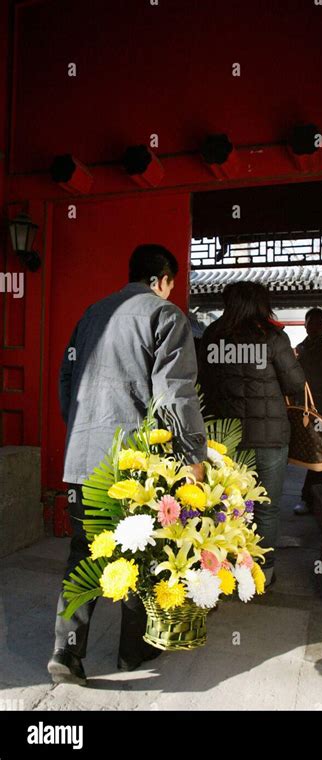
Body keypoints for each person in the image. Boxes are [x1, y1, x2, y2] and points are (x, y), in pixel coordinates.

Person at [47, 244, 207, 686]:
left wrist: (81, 427)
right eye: (171, 283)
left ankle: (67, 651)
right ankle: (131, 654)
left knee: (85, 552)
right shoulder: (165, 315)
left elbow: (66, 377)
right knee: (141, 550)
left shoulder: (91, 313)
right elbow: (175, 392)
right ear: (162, 279)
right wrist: (193, 456)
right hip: (135, 463)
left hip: (83, 459)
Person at [198, 282, 305, 587]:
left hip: (227, 439)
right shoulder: (272, 337)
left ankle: (227, 570)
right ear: (261, 303)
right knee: (268, 507)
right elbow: (296, 384)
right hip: (270, 439)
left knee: (230, 506)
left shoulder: (213, 336)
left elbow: (203, 384)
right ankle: (263, 573)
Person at [293, 307, 322, 527]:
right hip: (305, 408)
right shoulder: (300, 349)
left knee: (319, 455)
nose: (314, 326)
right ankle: (310, 498)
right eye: (311, 322)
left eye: (319, 322)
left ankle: (307, 498)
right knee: (311, 454)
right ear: (305, 324)